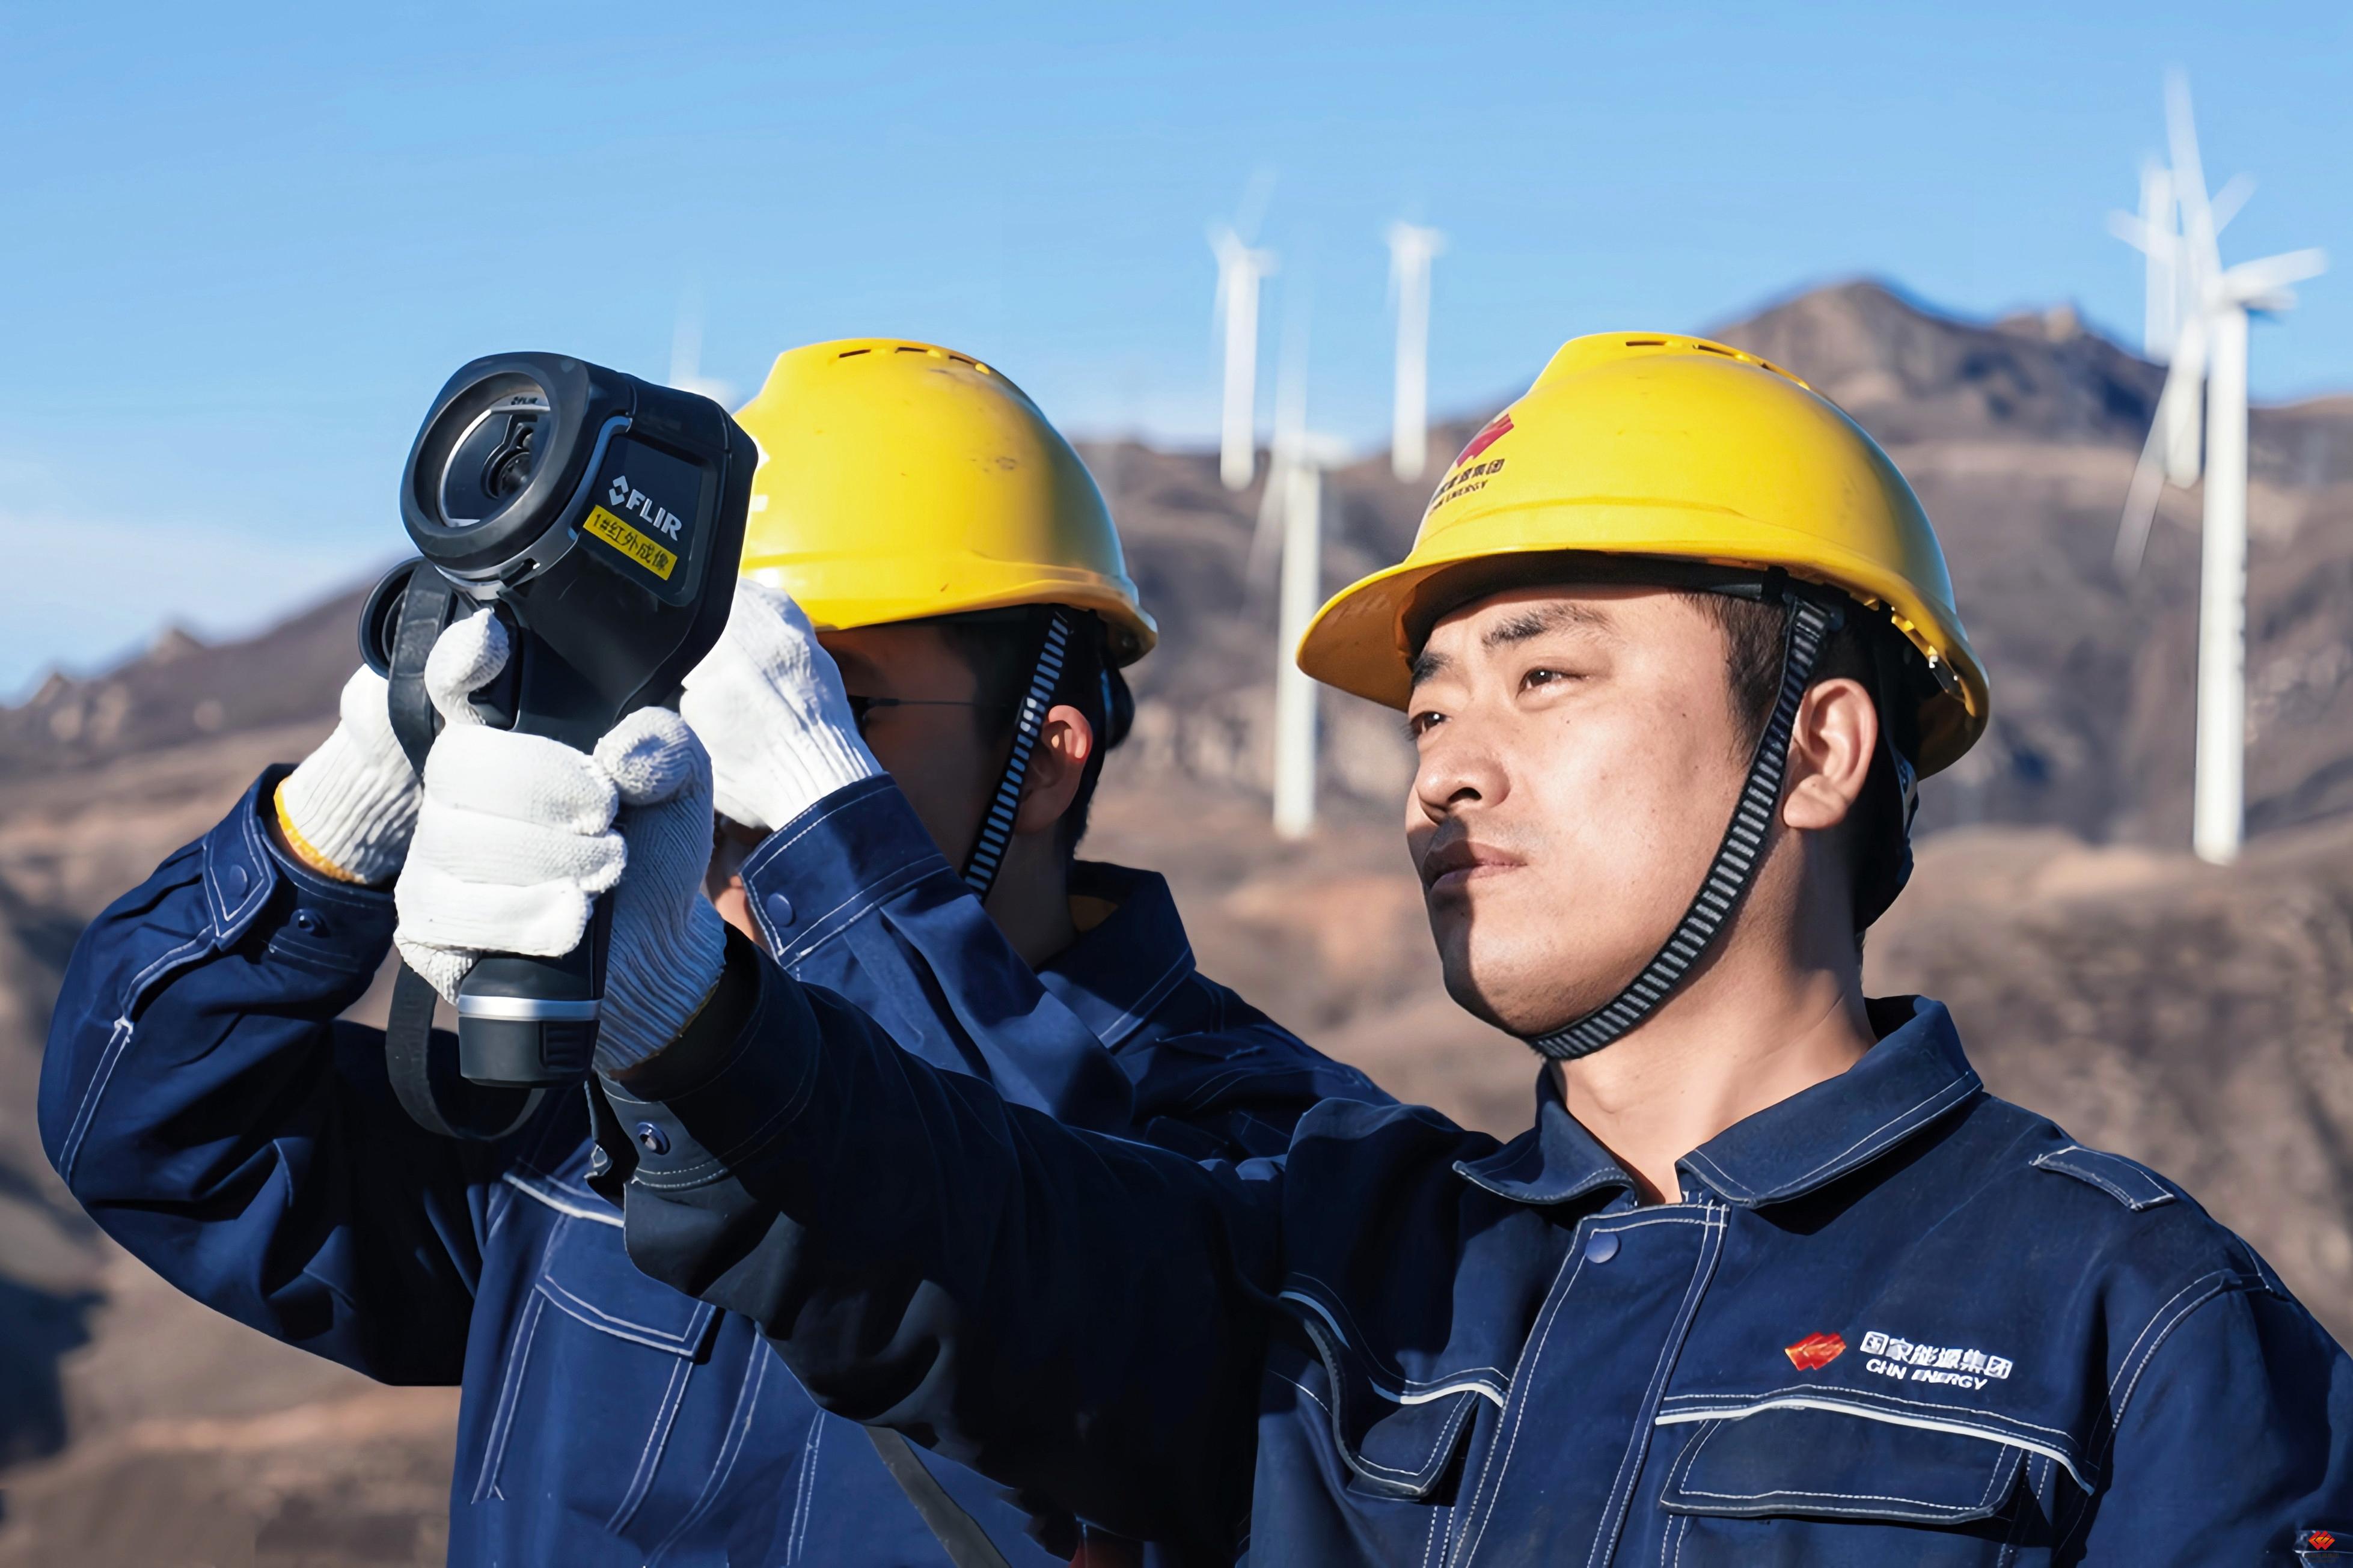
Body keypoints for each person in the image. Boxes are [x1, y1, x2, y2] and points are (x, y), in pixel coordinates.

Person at [393, 331, 2353, 1564]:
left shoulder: (2131, 1324)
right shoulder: (1334, 1254)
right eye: (1427, 712)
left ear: (1822, 749)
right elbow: (969, 1226)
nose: (1446, 769)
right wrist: (695, 1026)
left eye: (1546, 678)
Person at [41, 339, 1383, 1565]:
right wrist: (354, 805)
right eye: (688, 690)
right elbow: (156, 1128)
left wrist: (825, 831)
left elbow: (1058, 1276)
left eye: (823, 700)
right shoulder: (595, 1116)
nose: (710, 763)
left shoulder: (1278, 1153)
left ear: (1043, 759)